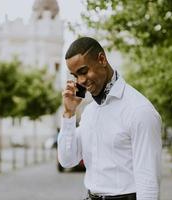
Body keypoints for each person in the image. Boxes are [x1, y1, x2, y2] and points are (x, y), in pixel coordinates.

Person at [58, 37, 162, 200]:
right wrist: (69, 113)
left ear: (102, 59)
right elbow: (67, 160)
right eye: (75, 76)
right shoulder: (90, 112)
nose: (80, 82)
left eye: (83, 72)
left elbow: (148, 182)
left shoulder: (139, 110)